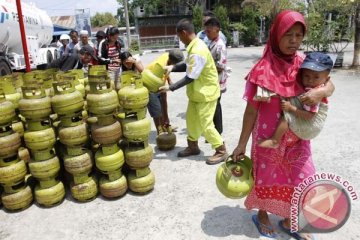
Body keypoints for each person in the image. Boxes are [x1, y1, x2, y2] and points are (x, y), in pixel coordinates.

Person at [231, 10, 335, 240]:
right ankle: (263, 214)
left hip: (298, 135)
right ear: (276, 34)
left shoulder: (304, 63)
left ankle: (291, 219)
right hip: (269, 137)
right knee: (267, 178)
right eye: (288, 34)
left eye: (299, 35)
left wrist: (323, 92)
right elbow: (251, 111)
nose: (294, 41)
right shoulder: (263, 70)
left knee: (303, 178)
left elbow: (328, 81)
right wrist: (241, 144)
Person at [160, 19, 228, 165]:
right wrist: (173, 68)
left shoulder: (198, 49)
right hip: (197, 94)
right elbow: (189, 63)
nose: (180, 39)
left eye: (179, 36)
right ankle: (193, 147)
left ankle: (221, 150)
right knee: (191, 121)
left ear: (184, 33)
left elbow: (190, 76)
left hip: (206, 94)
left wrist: (170, 87)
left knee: (206, 125)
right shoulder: (195, 45)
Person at [259, 52, 333, 148]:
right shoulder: (315, 86)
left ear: (327, 79)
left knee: (286, 116)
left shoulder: (313, 95)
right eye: (306, 76)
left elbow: (309, 116)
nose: (310, 80)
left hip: (310, 125)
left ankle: (275, 140)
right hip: (309, 124)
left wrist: (291, 108)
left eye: (316, 77)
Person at [145, 50, 184, 134]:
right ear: (172, 61)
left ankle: (166, 125)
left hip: (160, 81)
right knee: (157, 110)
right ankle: (160, 130)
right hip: (151, 85)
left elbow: (167, 70)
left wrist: (169, 80)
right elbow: (155, 83)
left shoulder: (169, 55)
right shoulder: (160, 65)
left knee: (164, 106)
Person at [204, 17, 228, 136]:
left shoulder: (220, 45)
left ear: (217, 30)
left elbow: (221, 66)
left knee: (216, 106)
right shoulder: (212, 42)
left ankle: (218, 132)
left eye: (209, 31)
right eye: (206, 31)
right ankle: (214, 131)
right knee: (212, 106)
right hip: (212, 80)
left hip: (218, 81)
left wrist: (207, 64)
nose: (207, 34)